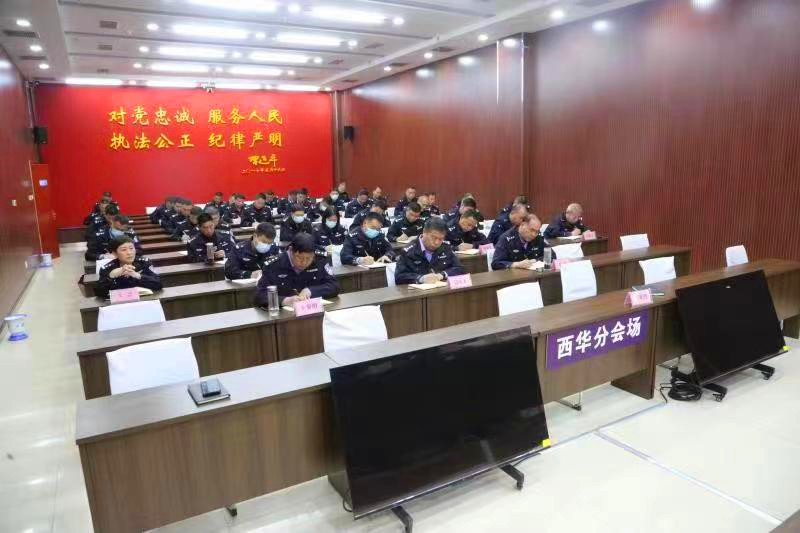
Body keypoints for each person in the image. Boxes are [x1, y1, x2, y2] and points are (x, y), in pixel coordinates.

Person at [254, 232, 339, 307]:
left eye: (308, 258)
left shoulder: (320, 260)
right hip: (284, 316)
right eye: (299, 258)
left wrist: (311, 291)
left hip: (312, 310)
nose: (304, 262)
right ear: (291, 250)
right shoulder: (274, 265)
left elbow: (334, 286)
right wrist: (284, 301)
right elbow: (260, 296)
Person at [395, 217, 465, 285]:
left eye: (441, 239)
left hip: (442, 289)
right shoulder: (408, 251)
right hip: (418, 291)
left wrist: (442, 275)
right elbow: (399, 276)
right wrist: (420, 278)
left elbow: (459, 268)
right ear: (424, 232)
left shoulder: (446, 248)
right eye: (434, 237)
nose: (437, 242)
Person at [96, 236, 162, 299]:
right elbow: (99, 293)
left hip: (144, 300)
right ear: (115, 253)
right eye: (124, 250)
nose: (129, 253)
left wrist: (138, 276)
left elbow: (159, 283)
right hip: (119, 303)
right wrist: (111, 277)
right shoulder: (107, 268)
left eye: (131, 248)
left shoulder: (144, 262)